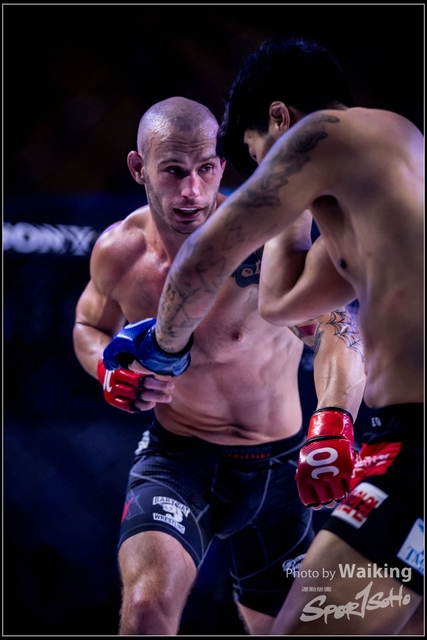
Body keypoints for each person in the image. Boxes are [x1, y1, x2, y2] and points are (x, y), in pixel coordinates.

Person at [102, 37, 424, 635]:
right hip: (198, 454)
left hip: (405, 445)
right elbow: (284, 303)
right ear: (140, 169)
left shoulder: (320, 135)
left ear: (279, 118)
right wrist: (288, 220)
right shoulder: (391, 173)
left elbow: (201, 263)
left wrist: (163, 351)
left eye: (256, 158)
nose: (196, 189)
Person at [73, 95, 367, 635]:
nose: (192, 190)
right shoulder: (120, 251)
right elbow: (89, 325)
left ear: (222, 165)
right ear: (139, 168)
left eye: (206, 168)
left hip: (281, 471)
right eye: (173, 171)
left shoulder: (262, 246)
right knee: (145, 611)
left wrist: (335, 418)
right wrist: (107, 370)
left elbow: (337, 330)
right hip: (178, 461)